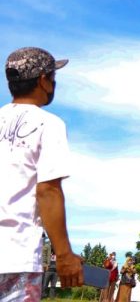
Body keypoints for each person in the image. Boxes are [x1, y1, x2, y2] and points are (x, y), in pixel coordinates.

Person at [0, 47, 83, 301]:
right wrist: (64, 254)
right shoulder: (49, 124)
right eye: (52, 76)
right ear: (43, 80)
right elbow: (47, 190)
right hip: (16, 256)